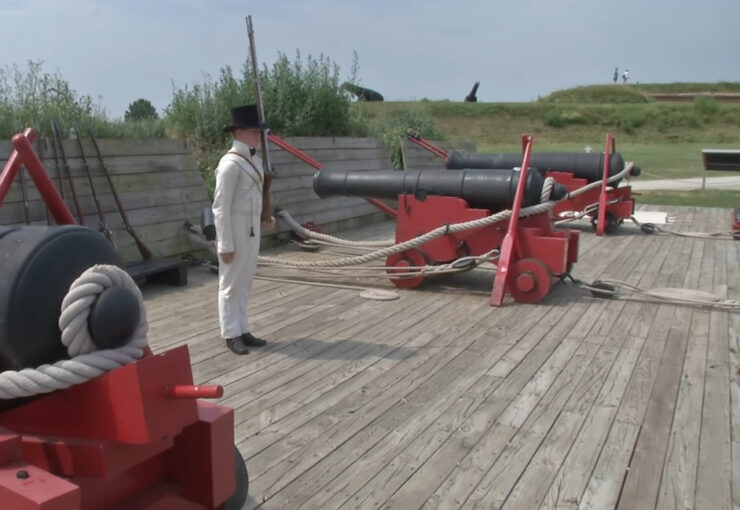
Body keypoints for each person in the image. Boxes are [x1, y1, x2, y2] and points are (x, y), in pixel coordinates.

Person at [213, 104, 275, 355]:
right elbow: (220, 207)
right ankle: (230, 332)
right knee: (230, 283)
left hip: (251, 227)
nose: (258, 137)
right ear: (239, 132)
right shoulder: (230, 164)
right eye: (254, 132)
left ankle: (242, 328)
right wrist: (225, 244)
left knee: (245, 281)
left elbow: (257, 196)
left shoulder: (255, 161)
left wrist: (263, 216)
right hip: (235, 227)